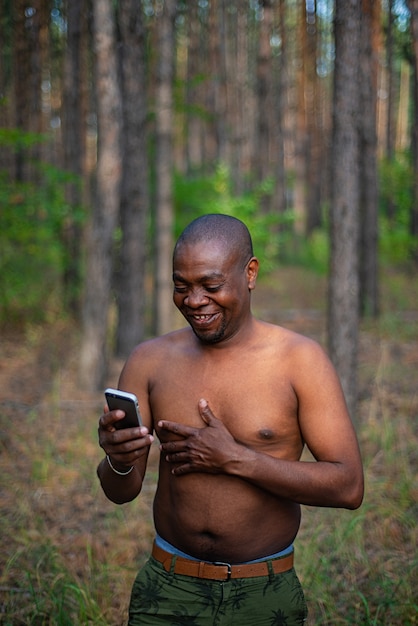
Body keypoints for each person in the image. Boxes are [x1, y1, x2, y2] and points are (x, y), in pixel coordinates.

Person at [97, 213, 364, 625]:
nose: (194, 300)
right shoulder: (149, 360)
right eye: (181, 287)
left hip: (263, 589)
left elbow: (348, 487)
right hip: (168, 587)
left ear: (250, 273)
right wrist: (117, 458)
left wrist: (238, 459)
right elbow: (122, 492)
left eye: (211, 285)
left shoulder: (299, 361)